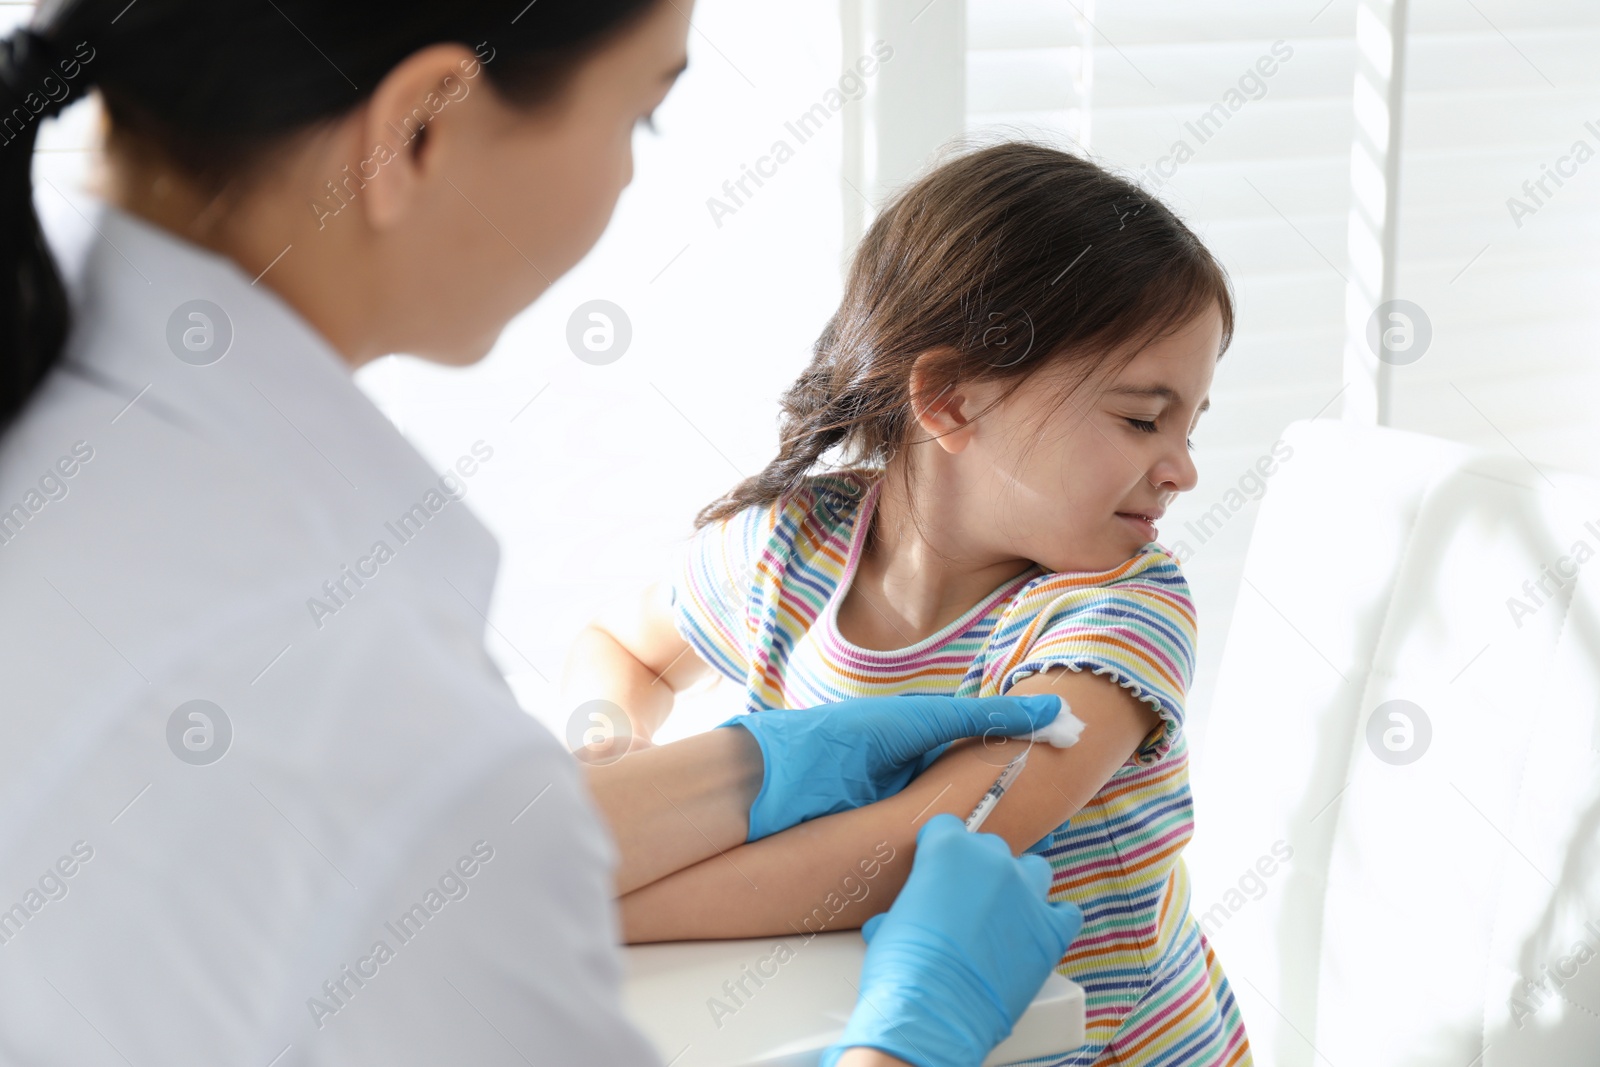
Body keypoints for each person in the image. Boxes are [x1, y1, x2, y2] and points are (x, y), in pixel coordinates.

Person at [0, 2, 1080, 1065]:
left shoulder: (87, 467)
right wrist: (910, 1040)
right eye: (639, 118)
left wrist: (738, 772)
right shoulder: (348, 690)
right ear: (421, 125)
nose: (623, 179)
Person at [566, 143, 1254, 1064]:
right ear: (952, 401)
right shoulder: (793, 548)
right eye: (1141, 417)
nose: (1183, 470)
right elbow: (625, 644)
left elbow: (914, 841)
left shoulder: (1121, 607)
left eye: (1189, 422)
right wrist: (611, 747)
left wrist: (584, 894)